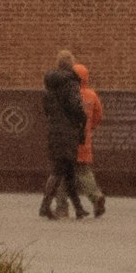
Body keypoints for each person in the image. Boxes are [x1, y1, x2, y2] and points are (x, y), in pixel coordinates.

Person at [40, 52, 90, 223]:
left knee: (68, 171)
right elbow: (75, 105)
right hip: (67, 131)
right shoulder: (71, 82)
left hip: (54, 130)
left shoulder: (49, 84)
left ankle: (79, 208)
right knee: (59, 169)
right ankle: (45, 206)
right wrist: (82, 118)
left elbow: (46, 109)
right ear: (71, 64)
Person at [69, 58, 106, 219]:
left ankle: (62, 205)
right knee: (84, 170)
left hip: (70, 138)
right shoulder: (91, 95)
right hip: (85, 139)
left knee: (66, 172)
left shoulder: (70, 93)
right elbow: (98, 116)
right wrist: (89, 127)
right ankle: (96, 196)